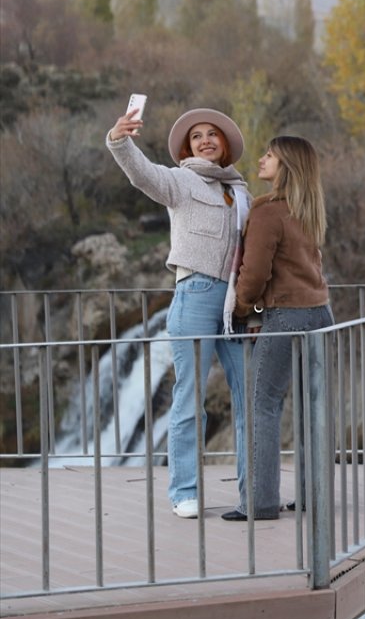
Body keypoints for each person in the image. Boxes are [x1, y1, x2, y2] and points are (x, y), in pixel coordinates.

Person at [107, 107, 251, 519]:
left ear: (224, 145)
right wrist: (120, 141)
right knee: (190, 398)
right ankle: (184, 489)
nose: (205, 140)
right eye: (197, 136)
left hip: (237, 302)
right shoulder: (181, 182)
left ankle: (254, 489)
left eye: (213, 135)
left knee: (248, 398)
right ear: (187, 147)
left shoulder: (241, 193)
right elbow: (142, 174)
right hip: (196, 295)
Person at [223, 135, 332, 521]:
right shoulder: (308, 208)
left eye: (269, 155)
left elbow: (254, 274)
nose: (262, 159)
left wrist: (238, 311)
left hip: (285, 315)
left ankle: (259, 502)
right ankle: (312, 496)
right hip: (320, 314)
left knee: (261, 405)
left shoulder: (268, 211)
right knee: (311, 407)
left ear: (285, 165)